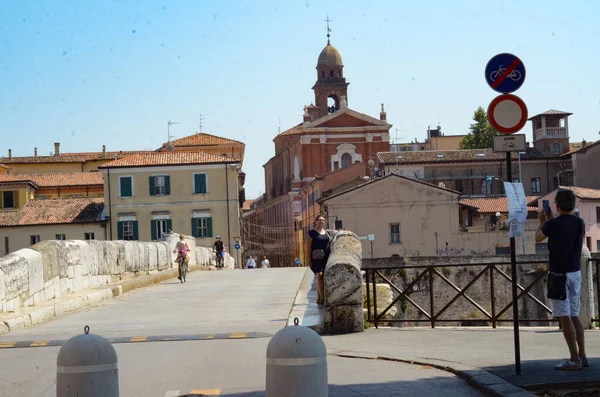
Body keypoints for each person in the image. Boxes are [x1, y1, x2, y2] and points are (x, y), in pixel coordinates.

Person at [536, 188, 587, 370]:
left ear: (556, 205)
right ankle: (582, 355)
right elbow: (567, 235)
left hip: (559, 275)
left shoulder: (552, 225)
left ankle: (573, 359)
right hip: (575, 273)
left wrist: (542, 222)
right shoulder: (580, 223)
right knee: (575, 315)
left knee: (564, 317)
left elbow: (538, 238)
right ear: (573, 204)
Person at [306, 214, 330, 305]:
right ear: (315, 221)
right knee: (319, 275)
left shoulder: (327, 233)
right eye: (319, 220)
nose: (321, 221)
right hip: (316, 258)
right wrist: (309, 260)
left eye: (323, 220)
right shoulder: (311, 233)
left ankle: (319, 297)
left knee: (322, 277)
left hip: (326, 257)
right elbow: (308, 248)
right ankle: (322, 297)